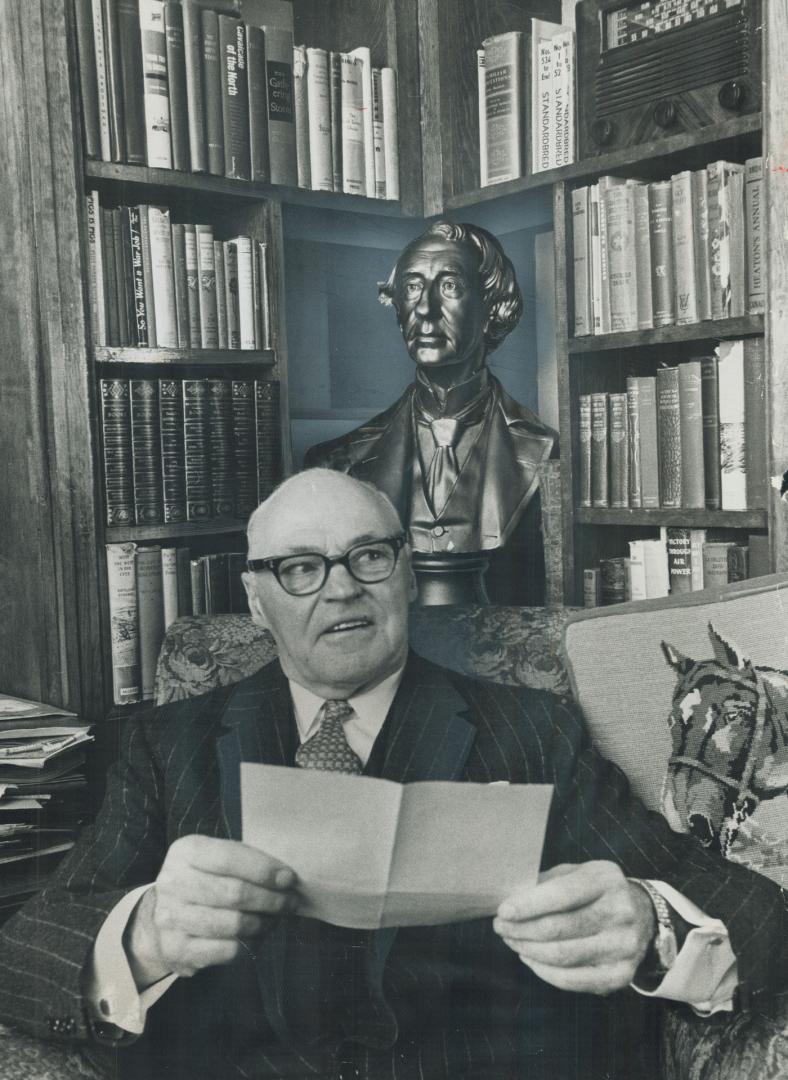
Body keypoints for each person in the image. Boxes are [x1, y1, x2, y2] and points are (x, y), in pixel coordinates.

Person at [0, 469, 785, 1080]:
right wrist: (142, 935)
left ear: (406, 574)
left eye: (368, 556)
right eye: (301, 568)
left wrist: (649, 925)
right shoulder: (167, 746)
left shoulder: (534, 728)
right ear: (256, 597)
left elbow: (757, 918)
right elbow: (25, 953)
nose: (342, 587)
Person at [305, 220, 558, 605]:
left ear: (491, 307)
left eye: (450, 286)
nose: (425, 308)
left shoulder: (547, 453)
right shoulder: (337, 462)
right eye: (411, 287)